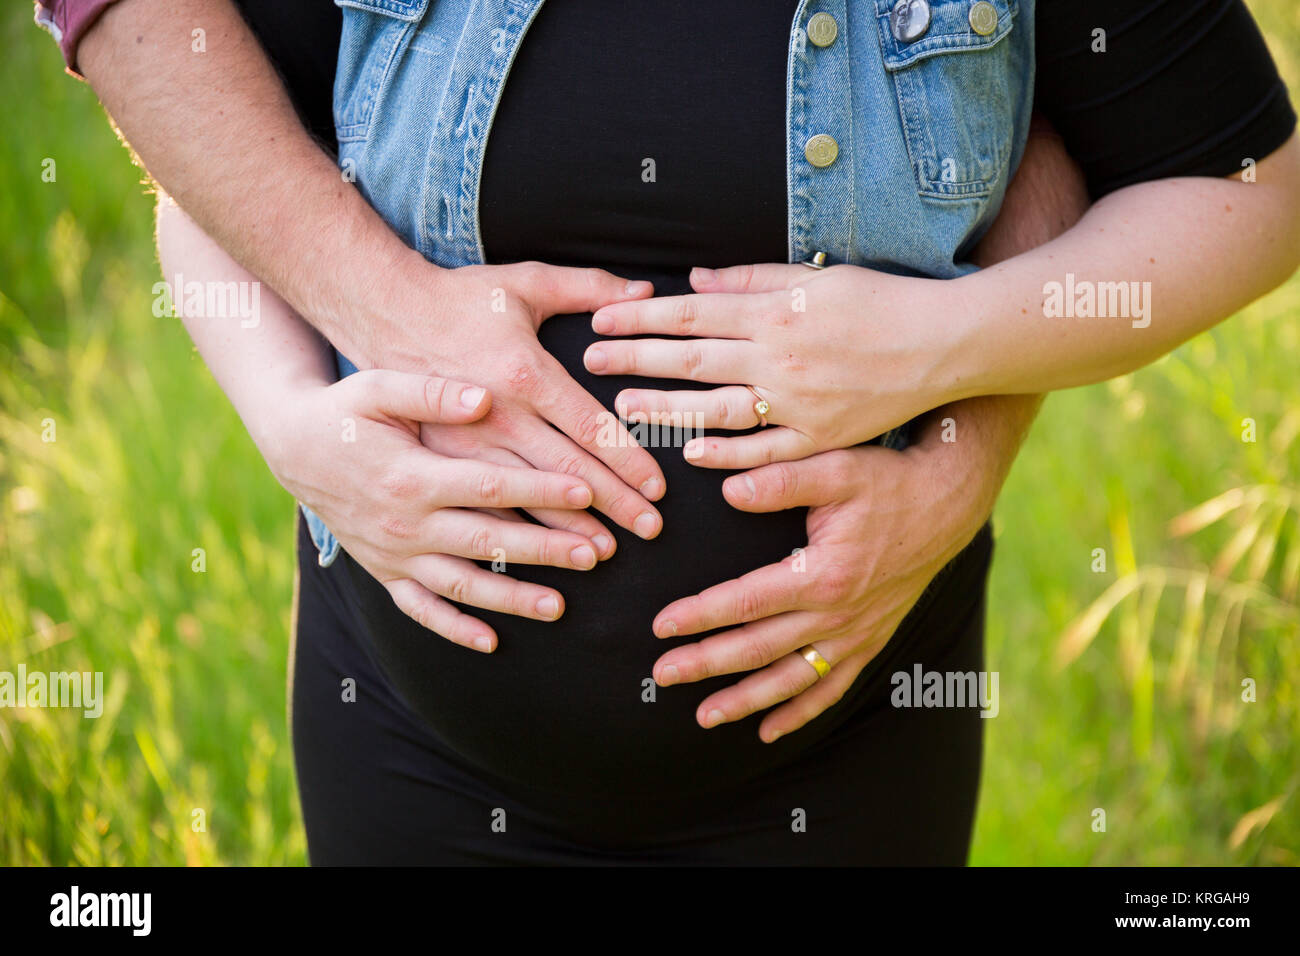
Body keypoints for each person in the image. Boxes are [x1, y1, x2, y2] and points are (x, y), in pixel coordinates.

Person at [39, 0, 1298, 863]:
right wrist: (290, 426)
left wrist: (944, 368)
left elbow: (1240, 190)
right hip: (410, 744)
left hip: (841, 747)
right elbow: (222, 163)